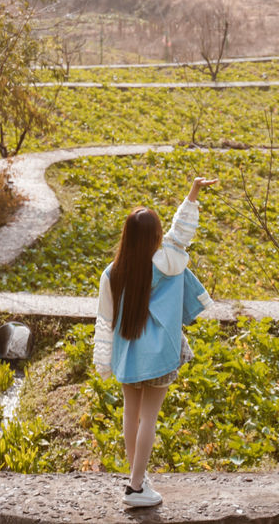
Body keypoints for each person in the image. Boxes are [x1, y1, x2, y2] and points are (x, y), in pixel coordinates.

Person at [93, 176, 217, 508]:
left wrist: (104, 362)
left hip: (128, 356)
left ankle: (137, 478)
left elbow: (104, 321)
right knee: (149, 418)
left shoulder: (111, 273)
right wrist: (192, 191)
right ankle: (136, 487)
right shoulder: (166, 261)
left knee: (130, 415)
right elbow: (183, 231)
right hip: (160, 353)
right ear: (155, 236)